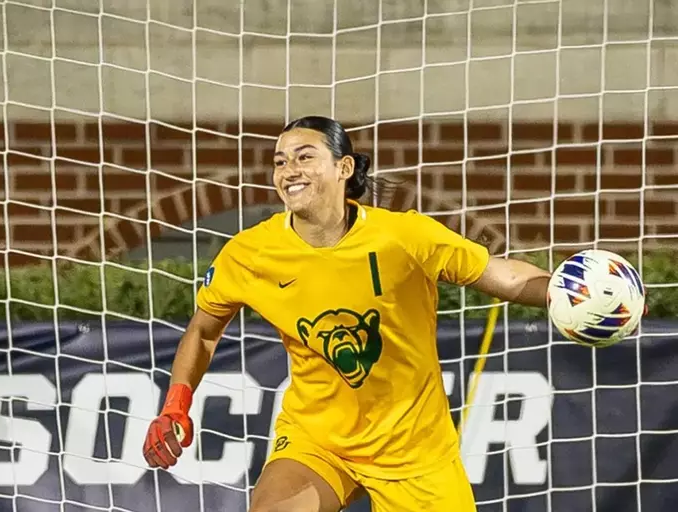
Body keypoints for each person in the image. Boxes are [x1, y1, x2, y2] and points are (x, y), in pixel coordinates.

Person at [142, 116, 555, 512]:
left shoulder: (404, 237)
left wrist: (567, 292)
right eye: (280, 161)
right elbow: (203, 330)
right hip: (318, 439)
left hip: (413, 446)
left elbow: (504, 274)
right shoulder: (251, 254)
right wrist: (176, 405)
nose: (289, 170)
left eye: (305, 157)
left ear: (344, 167)